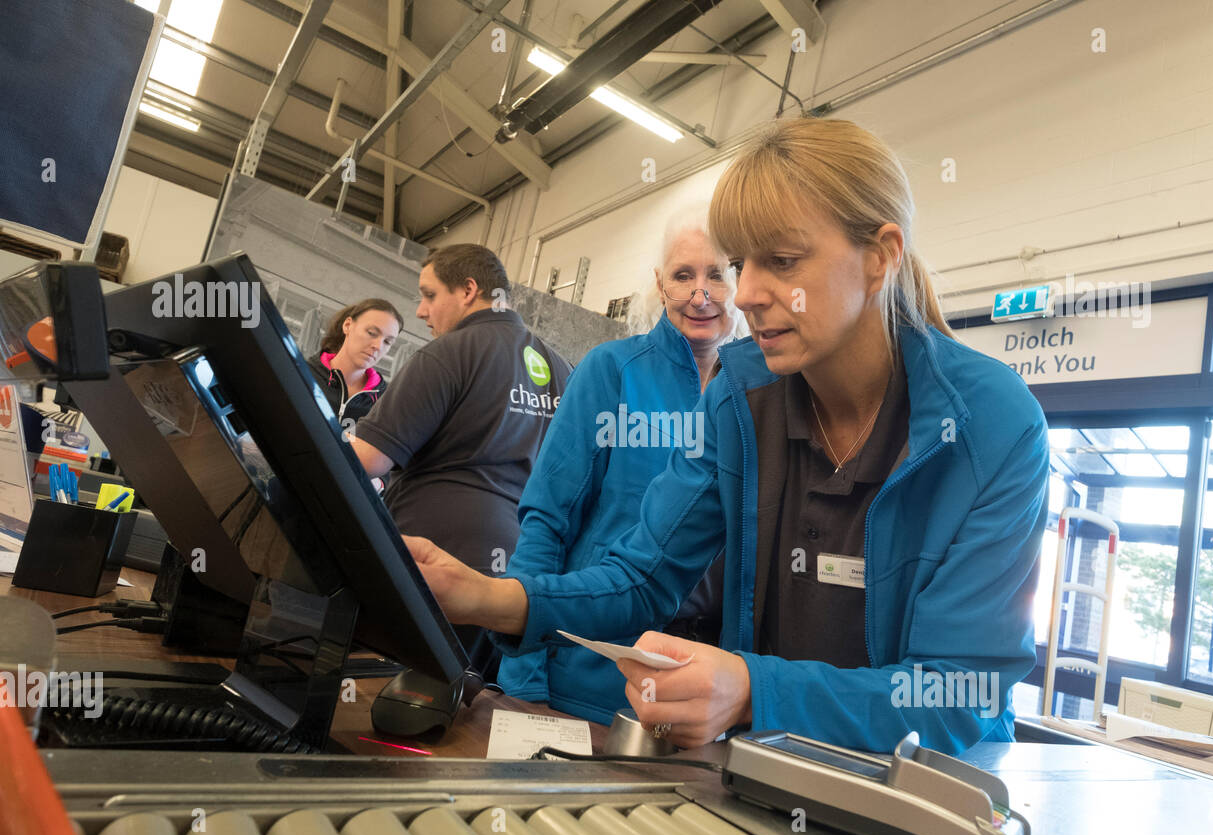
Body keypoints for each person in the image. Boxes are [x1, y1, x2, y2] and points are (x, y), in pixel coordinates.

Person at [400, 118, 1049, 756]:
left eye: (783, 261)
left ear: (879, 257)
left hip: (927, 800)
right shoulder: (743, 393)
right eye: (744, 263)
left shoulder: (992, 424)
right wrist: (486, 595)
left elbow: (958, 694)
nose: (747, 294)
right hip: (770, 773)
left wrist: (751, 689)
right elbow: (640, 578)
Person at [497, 211, 744, 723]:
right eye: (683, 275)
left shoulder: (755, 396)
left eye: (717, 274)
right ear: (660, 283)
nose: (701, 294)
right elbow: (547, 520)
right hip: (589, 682)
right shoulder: (611, 371)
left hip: (705, 699)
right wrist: (525, 682)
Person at [349, 244, 571, 679]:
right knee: (463, 710)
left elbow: (366, 461)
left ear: (469, 290)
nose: (420, 311)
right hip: (509, 584)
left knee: (385, 703)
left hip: (432, 571)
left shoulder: (449, 353)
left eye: (429, 295)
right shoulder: (562, 369)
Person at [308, 298, 402, 428]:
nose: (378, 346)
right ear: (347, 325)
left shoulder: (386, 403)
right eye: (372, 333)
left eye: (387, 342)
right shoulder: (303, 374)